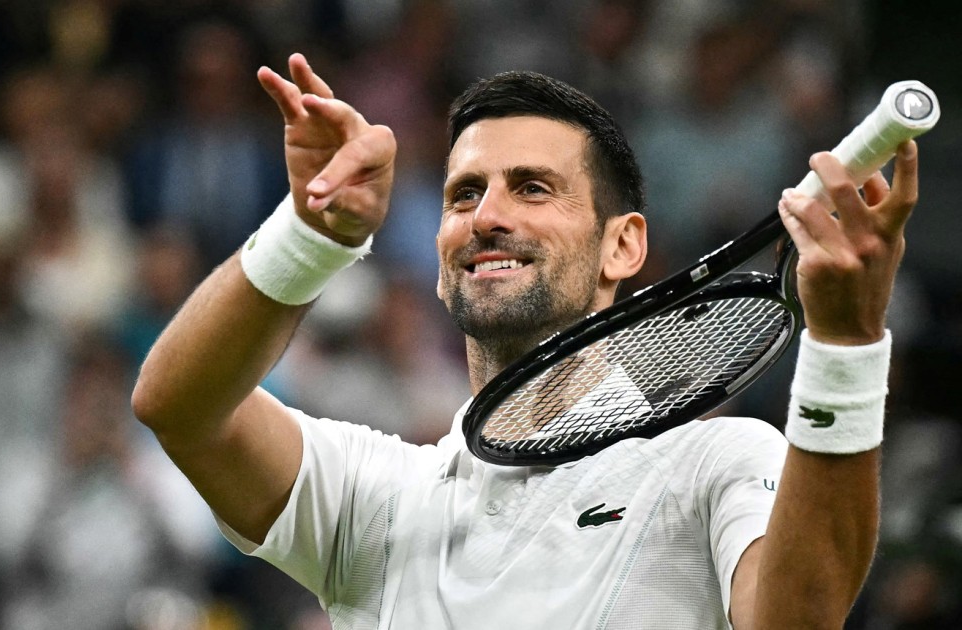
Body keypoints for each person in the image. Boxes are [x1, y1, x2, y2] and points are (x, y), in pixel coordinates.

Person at [131, 53, 918, 628]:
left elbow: (798, 621)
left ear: (623, 247)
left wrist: (846, 346)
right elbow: (179, 405)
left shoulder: (716, 465)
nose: (487, 217)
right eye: (464, 194)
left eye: (532, 188)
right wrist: (309, 235)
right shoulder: (379, 496)